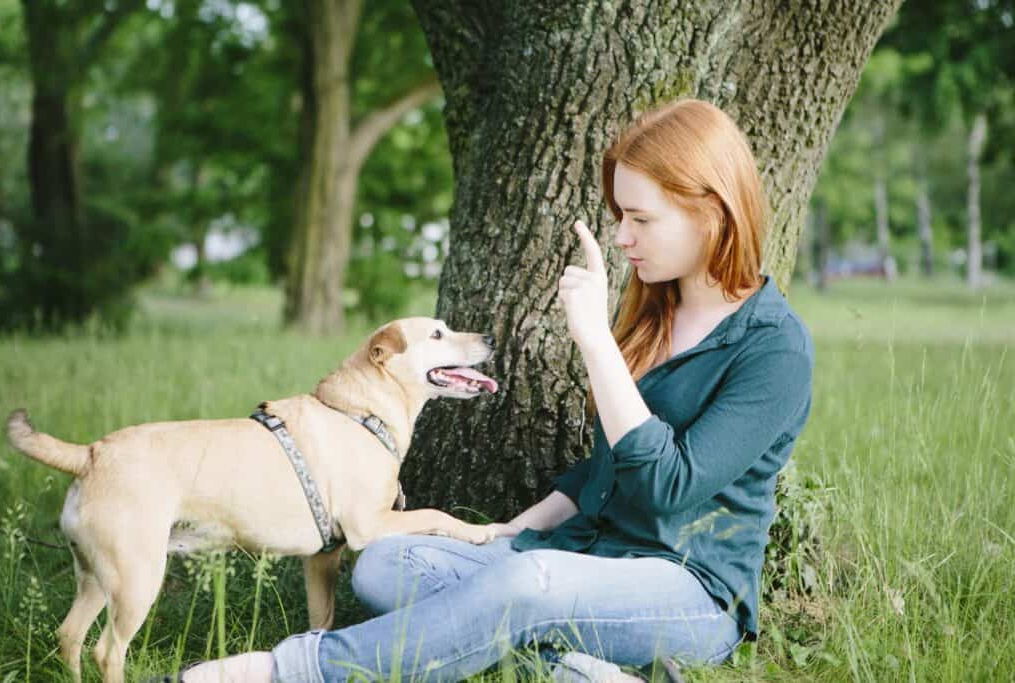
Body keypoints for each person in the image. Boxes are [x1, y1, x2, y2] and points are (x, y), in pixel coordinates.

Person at [154, 98, 814, 683]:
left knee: (528, 583)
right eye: (619, 215)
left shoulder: (774, 349)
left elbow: (668, 487)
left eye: (640, 217)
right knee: (383, 564)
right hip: (579, 556)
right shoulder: (655, 310)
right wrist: (508, 532)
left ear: (709, 211)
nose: (621, 237)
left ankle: (289, 668)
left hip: (689, 592)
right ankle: (572, 666)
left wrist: (596, 344)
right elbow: (605, 467)